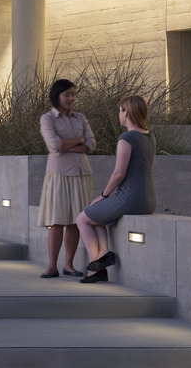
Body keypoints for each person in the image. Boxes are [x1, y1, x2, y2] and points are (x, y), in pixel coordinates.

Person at [75, 94, 154, 283]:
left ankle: (95, 266)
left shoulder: (126, 138)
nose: (119, 114)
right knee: (97, 217)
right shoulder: (149, 136)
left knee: (82, 219)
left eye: (120, 110)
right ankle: (103, 254)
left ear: (126, 112)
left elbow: (119, 174)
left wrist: (103, 195)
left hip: (130, 197)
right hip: (148, 199)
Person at [37, 79, 96, 278]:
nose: (71, 98)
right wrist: (78, 141)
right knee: (57, 221)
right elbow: (54, 146)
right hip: (58, 174)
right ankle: (51, 266)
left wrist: (69, 144)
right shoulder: (47, 119)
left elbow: (91, 144)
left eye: (73, 94)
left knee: (75, 221)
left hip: (81, 173)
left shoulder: (81, 118)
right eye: (67, 95)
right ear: (57, 96)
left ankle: (69, 265)